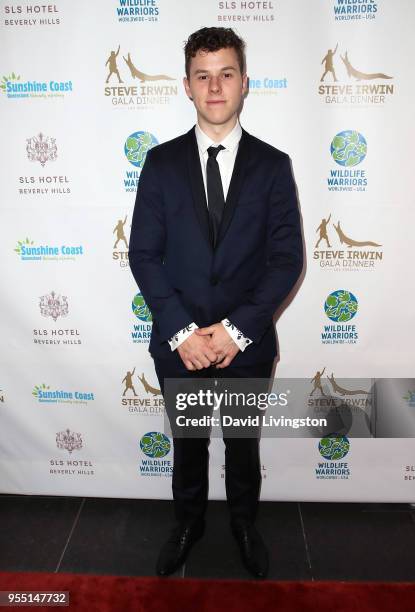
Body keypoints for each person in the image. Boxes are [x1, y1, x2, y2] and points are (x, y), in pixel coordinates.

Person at [129, 27, 303, 578]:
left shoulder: (274, 166)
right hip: (179, 345)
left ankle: (244, 525)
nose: (215, 86)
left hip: (245, 344)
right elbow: (143, 255)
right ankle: (188, 523)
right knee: (188, 446)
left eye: (226, 73)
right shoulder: (158, 164)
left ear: (244, 82)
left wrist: (236, 330)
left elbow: (287, 260)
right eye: (202, 75)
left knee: (243, 447)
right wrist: (184, 332)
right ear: (186, 85)